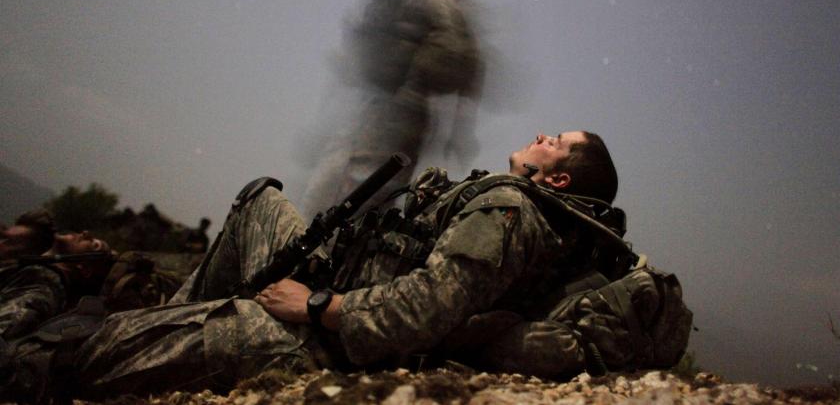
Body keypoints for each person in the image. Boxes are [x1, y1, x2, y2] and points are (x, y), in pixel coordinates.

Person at [2, 131, 691, 402]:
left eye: (556, 142)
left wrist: (313, 307)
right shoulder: (511, 206)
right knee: (261, 200)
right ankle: (165, 314)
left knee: (65, 361)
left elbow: (426, 309)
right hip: (339, 283)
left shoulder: (511, 211)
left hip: (324, 336)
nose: (541, 137)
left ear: (561, 182)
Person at [301, 0, 483, 216]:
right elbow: (356, 71)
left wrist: (459, 130)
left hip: (395, 125)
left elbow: (465, 62)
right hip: (363, 120)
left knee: (353, 215)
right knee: (317, 209)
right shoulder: (380, 2)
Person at [0, 231, 112, 340]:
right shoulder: (37, 274)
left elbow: (5, 329)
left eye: (95, 245)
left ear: (84, 268)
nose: (86, 233)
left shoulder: (43, 285)